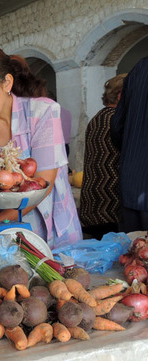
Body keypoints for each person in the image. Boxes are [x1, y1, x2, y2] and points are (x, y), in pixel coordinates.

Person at [0, 45, 82, 249]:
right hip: (0, 245)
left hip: (53, 236)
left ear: (7, 83)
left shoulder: (42, 114)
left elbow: (43, 184)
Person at [80, 74, 126, 239]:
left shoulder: (97, 117)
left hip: (93, 206)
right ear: (121, 95)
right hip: (111, 208)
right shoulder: (117, 120)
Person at [111, 57, 148, 233]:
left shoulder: (139, 68)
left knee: (136, 252)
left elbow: (117, 126)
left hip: (134, 181)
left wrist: (131, 154)